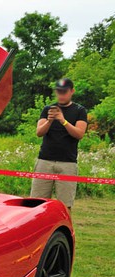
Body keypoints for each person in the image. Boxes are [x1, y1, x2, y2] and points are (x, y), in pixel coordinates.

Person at [31, 78, 88, 211]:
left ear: (72, 91)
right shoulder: (48, 109)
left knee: (65, 205)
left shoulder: (80, 110)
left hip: (67, 163)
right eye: (58, 92)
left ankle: (64, 225)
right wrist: (49, 121)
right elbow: (39, 132)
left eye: (64, 92)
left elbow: (79, 134)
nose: (61, 95)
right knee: (37, 203)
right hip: (45, 161)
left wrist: (63, 121)